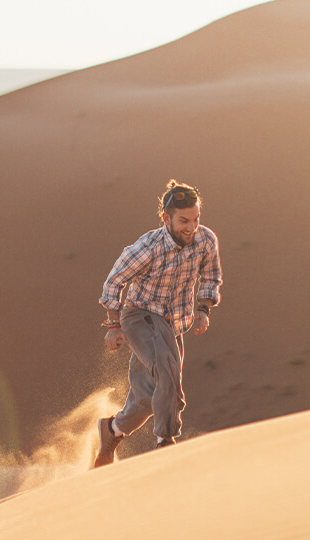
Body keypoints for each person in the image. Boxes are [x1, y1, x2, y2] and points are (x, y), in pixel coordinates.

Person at [94, 179, 222, 468]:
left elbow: (211, 277)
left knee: (148, 397)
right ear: (166, 218)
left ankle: (112, 430)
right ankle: (166, 442)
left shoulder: (205, 241)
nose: (191, 227)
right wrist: (113, 326)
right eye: (183, 221)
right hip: (140, 316)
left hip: (173, 324)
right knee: (168, 372)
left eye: (196, 219)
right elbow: (114, 282)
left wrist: (203, 309)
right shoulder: (147, 247)